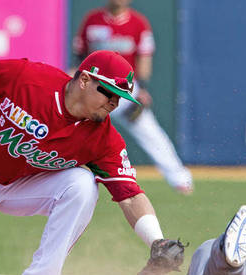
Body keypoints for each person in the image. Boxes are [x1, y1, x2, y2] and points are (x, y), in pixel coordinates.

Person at [0, 50, 172, 275]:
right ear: (85, 80)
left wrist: (157, 242)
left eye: (119, 99)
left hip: (22, 186)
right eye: (108, 93)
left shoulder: (102, 138)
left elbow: (130, 195)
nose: (113, 104)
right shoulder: (25, 78)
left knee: (82, 184)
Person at [73, 0, 194, 194]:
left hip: (125, 91)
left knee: (150, 133)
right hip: (94, 91)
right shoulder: (92, 20)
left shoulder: (138, 23)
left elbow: (144, 57)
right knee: (72, 129)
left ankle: (180, 178)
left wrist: (143, 88)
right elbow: (80, 56)